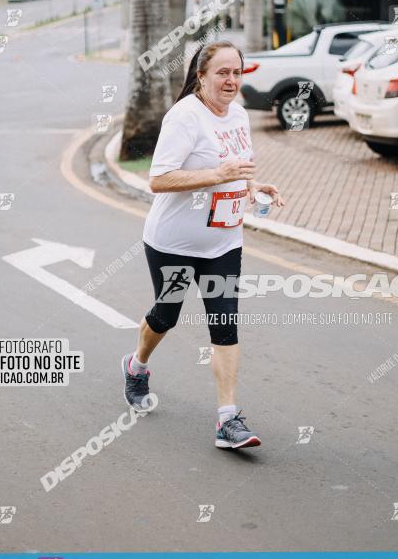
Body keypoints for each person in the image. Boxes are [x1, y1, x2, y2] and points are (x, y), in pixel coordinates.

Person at [121, 41, 285, 450]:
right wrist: (218, 174)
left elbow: (237, 167)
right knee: (166, 314)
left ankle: (227, 420)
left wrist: (251, 185)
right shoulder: (184, 117)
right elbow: (158, 180)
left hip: (223, 243)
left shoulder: (240, 116)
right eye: (222, 73)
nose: (231, 81)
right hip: (174, 243)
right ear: (202, 75)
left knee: (225, 322)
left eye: (237, 72)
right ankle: (137, 364)